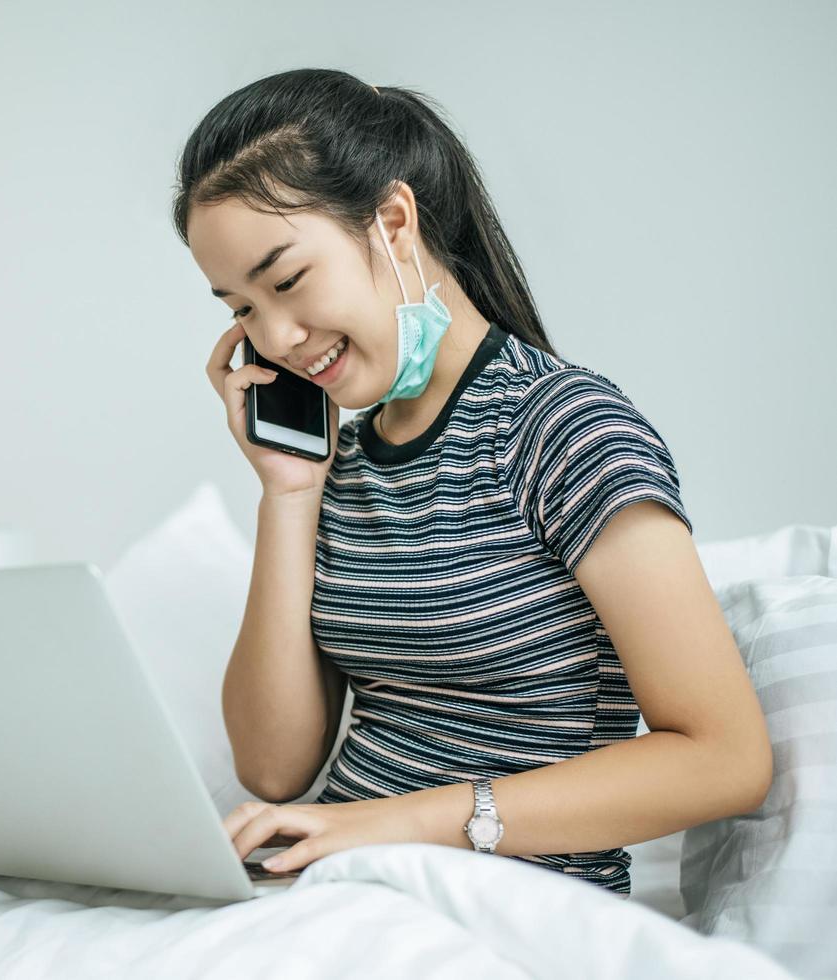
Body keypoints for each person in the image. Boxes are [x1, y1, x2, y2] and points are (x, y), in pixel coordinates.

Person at [178, 68, 772, 897]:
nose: (274, 336)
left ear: (392, 222)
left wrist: (397, 821)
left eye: (285, 281)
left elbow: (725, 758)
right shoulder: (336, 466)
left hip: (507, 901)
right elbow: (274, 768)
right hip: (342, 892)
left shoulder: (563, 428)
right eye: (239, 308)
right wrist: (287, 493)